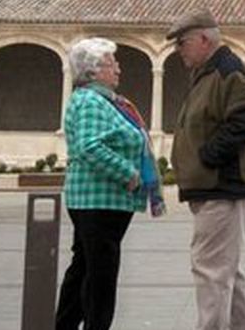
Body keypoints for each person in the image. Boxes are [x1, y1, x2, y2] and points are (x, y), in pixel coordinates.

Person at [56, 37, 165, 330]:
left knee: (85, 269)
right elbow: (90, 147)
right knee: (100, 275)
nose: (118, 69)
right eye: (111, 64)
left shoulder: (104, 101)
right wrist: (129, 174)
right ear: (91, 71)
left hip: (100, 200)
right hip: (98, 201)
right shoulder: (92, 101)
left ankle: (65, 325)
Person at [168, 10, 245, 330]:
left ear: (205, 39)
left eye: (182, 43)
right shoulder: (209, 73)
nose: (178, 50)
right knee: (224, 269)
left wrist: (209, 156)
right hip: (214, 186)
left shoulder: (227, 71)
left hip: (223, 186)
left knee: (210, 270)